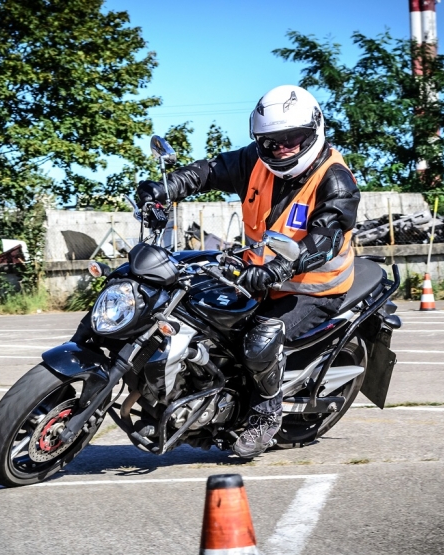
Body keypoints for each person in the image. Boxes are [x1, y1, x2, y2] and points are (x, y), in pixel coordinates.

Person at [136, 84, 360, 458]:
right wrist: (165, 188)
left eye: (292, 138)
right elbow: (207, 172)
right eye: (271, 141)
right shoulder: (254, 162)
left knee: (260, 340)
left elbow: (326, 238)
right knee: (189, 309)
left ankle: (265, 416)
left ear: (314, 130)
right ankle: (169, 401)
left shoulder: (335, 178)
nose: (282, 148)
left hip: (312, 287)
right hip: (259, 273)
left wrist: (281, 267)